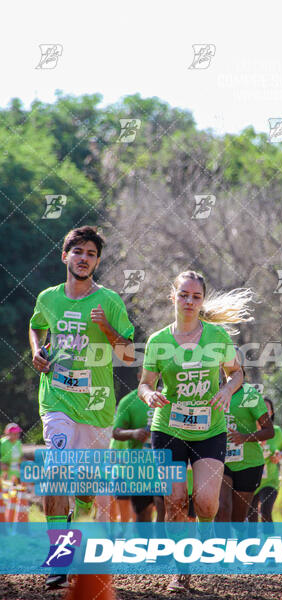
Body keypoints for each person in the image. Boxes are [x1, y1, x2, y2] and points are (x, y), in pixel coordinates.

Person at [29, 226, 135, 589]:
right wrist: (36, 351)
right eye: (78, 252)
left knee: (87, 488)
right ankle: (59, 560)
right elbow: (37, 327)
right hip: (56, 400)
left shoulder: (109, 301)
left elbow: (128, 354)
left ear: (97, 261)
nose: (84, 258)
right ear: (65, 256)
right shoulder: (48, 297)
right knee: (56, 476)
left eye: (90, 253)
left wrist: (106, 328)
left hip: (97, 407)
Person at [138, 270, 253, 592]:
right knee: (174, 501)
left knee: (205, 503)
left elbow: (236, 373)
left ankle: (207, 531)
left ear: (202, 300)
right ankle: (181, 572)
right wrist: (149, 395)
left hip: (210, 428)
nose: (189, 301)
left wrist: (228, 391)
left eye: (196, 296)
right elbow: (145, 384)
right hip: (168, 428)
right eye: (184, 294)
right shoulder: (158, 341)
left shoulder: (216, 337)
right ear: (172, 297)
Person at [215, 372, 273, 523]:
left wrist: (244, 437)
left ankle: (241, 543)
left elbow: (269, 431)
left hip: (249, 463)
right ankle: (220, 546)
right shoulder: (211, 390)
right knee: (222, 508)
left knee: (238, 519)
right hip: (220, 460)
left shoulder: (249, 393)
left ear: (241, 370)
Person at [112, 368, 165, 522]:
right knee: (142, 513)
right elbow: (116, 432)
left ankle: (161, 544)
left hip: (163, 465)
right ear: (138, 376)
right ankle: (144, 544)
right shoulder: (128, 402)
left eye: (154, 372)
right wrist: (134, 433)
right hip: (139, 469)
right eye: (145, 372)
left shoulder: (168, 398)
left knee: (163, 505)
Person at [248, 398, 282, 523]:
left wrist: (279, 455)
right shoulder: (248, 431)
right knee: (251, 515)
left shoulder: (276, 431)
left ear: (271, 413)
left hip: (270, 480)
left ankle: (269, 541)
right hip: (251, 481)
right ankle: (252, 542)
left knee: (266, 511)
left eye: (267, 408)